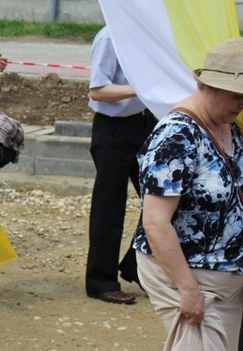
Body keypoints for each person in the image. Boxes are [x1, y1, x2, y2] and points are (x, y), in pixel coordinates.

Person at [97, 37, 243, 351]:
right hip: (185, 273)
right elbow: (156, 221)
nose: (241, 104)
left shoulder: (230, 128)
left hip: (227, 276)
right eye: (237, 95)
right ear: (209, 85)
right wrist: (187, 288)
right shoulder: (174, 135)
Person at [85, 26, 156, 305]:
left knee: (163, 199)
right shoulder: (108, 37)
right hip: (113, 128)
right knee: (109, 206)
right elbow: (98, 89)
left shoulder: (148, 34)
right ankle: (100, 282)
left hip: (145, 122)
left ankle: (135, 265)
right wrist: (139, 88)